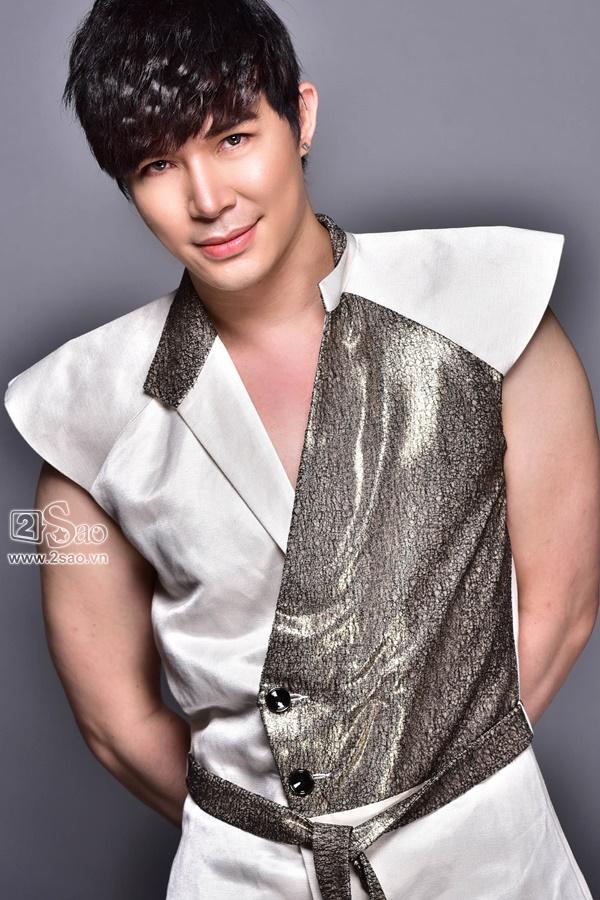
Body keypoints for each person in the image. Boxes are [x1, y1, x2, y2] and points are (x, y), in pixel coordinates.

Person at [4, 1, 599, 898]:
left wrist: (429, 803)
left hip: (489, 858)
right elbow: (116, 725)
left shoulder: (489, 308)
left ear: (302, 118)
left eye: (235, 138)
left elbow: (563, 605)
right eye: (158, 164)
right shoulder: (80, 415)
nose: (208, 199)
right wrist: (262, 843)